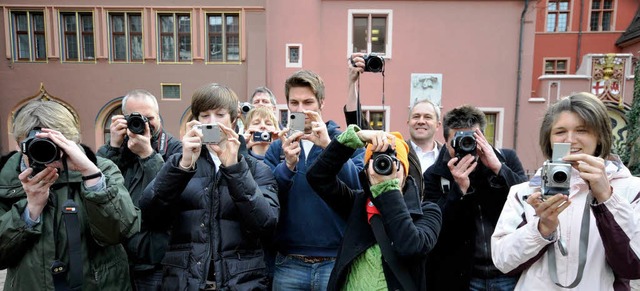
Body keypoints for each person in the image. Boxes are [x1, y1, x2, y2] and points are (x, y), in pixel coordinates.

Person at [491, 92, 640, 290]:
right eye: (560, 131)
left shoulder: (630, 189)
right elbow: (503, 262)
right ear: (549, 138)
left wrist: (606, 197)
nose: (570, 139)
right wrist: (541, 229)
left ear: (599, 137)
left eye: (582, 130)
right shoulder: (525, 192)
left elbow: (634, 265)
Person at [139, 83, 279, 290]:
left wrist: (234, 168)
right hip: (185, 281)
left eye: (220, 114)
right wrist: (183, 166)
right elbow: (150, 213)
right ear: (196, 121)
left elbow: (265, 224)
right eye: (205, 115)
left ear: (233, 120)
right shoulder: (179, 162)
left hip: (240, 282)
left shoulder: (255, 168)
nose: (212, 122)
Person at [0, 99, 140, 290]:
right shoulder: (6, 180)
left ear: (69, 141)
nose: (43, 153)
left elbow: (120, 231)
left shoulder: (101, 169)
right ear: (20, 144)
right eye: (34, 145)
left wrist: (91, 176)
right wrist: (30, 210)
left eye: (52, 145)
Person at [306, 125, 442, 290]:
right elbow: (318, 177)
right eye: (378, 162)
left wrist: (387, 190)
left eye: (394, 162)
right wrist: (354, 139)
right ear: (367, 171)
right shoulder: (357, 203)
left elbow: (411, 247)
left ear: (405, 170)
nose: (385, 168)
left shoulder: (428, 211)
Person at [264, 69, 364, 291]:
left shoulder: (345, 141)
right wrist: (287, 166)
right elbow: (267, 199)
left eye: (308, 102)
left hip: (335, 260)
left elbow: (358, 187)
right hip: (289, 261)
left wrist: (331, 148)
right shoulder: (277, 147)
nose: (301, 110)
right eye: (294, 103)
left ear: (321, 103)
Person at [424, 105, 527, 290]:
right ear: (446, 142)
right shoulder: (434, 175)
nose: (466, 146)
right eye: (458, 140)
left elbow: (528, 202)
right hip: (463, 276)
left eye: (471, 139)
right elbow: (435, 229)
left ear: (482, 138)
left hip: (508, 271)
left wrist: (499, 169)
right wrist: (459, 190)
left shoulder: (506, 159)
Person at [97, 89, 182, 290]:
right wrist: (113, 147)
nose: (144, 123)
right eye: (135, 118)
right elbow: (98, 189)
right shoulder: (116, 150)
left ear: (159, 117)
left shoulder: (175, 149)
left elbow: (171, 197)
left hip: (157, 261)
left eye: (149, 117)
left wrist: (148, 155)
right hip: (118, 257)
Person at [345, 53, 438, 197]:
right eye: (416, 116)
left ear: (438, 124)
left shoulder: (447, 155)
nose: (421, 121)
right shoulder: (395, 148)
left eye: (427, 117)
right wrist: (352, 83)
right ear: (408, 122)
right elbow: (357, 124)